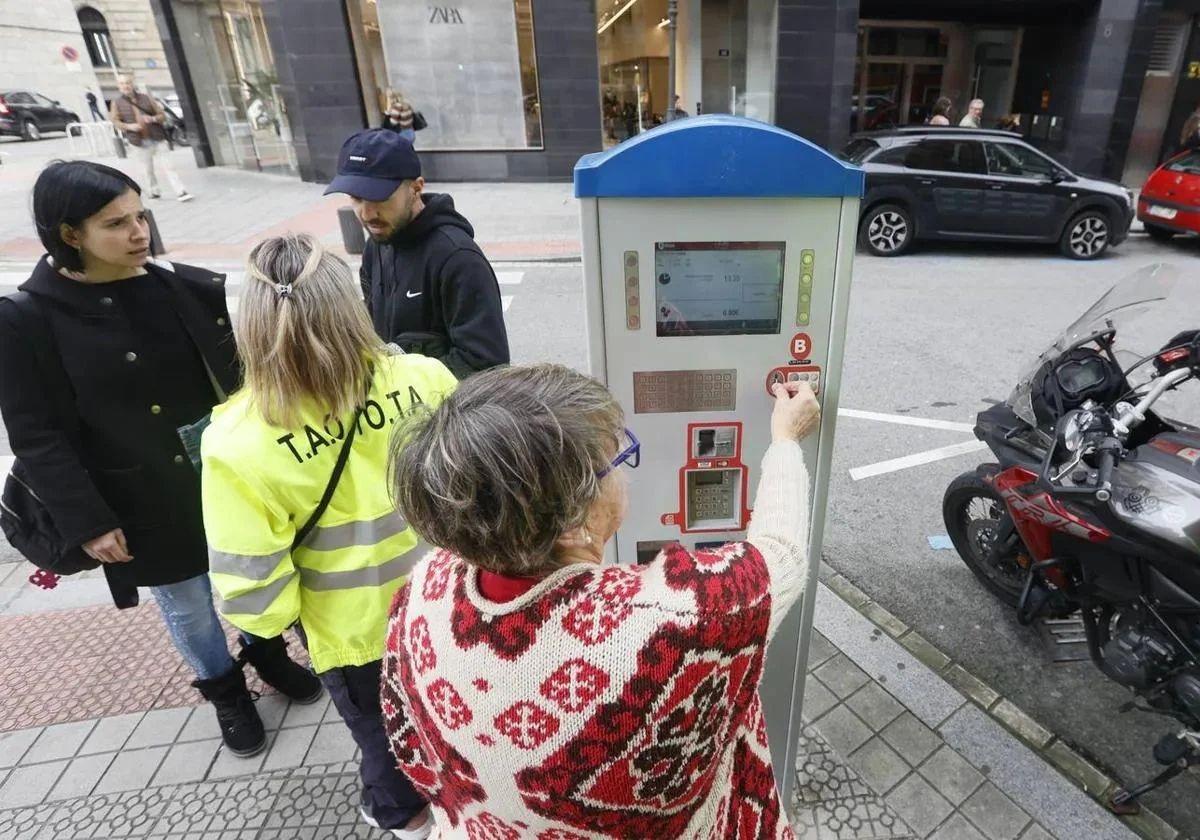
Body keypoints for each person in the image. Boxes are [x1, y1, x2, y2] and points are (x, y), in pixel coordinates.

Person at [381, 364, 821, 838]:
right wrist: (786, 437)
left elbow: (412, 750)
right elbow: (782, 553)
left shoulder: (421, 593)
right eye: (616, 461)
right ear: (573, 521)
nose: (624, 474)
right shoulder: (677, 622)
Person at [0, 161, 318, 758]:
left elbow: (247, 378)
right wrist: (88, 520)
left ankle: (268, 656)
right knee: (190, 602)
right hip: (135, 497)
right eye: (116, 223)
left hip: (223, 482)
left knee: (249, 578)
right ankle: (225, 689)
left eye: (140, 214)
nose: (139, 231)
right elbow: (36, 434)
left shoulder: (181, 286)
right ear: (70, 235)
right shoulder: (24, 319)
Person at [202, 233, 458, 839]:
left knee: (388, 747)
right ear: (351, 305)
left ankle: (409, 822)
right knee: (455, 719)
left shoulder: (237, 441)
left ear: (253, 325)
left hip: (356, 637)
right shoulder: (424, 378)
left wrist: (292, 620)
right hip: (452, 607)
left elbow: (254, 599)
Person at [325, 129, 509, 378]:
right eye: (356, 198)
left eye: (379, 197)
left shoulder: (458, 259)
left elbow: (486, 365)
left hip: (447, 413)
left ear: (416, 188)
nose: (367, 214)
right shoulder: (376, 246)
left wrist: (402, 376)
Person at [109, 74, 193, 202]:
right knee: (147, 170)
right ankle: (154, 192)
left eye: (128, 83)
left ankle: (180, 191)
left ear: (132, 84)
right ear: (118, 86)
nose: (125, 86)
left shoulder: (146, 98)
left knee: (169, 166)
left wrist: (153, 118)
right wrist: (129, 127)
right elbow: (115, 121)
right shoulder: (117, 103)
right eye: (122, 84)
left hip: (157, 137)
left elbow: (162, 115)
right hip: (138, 141)